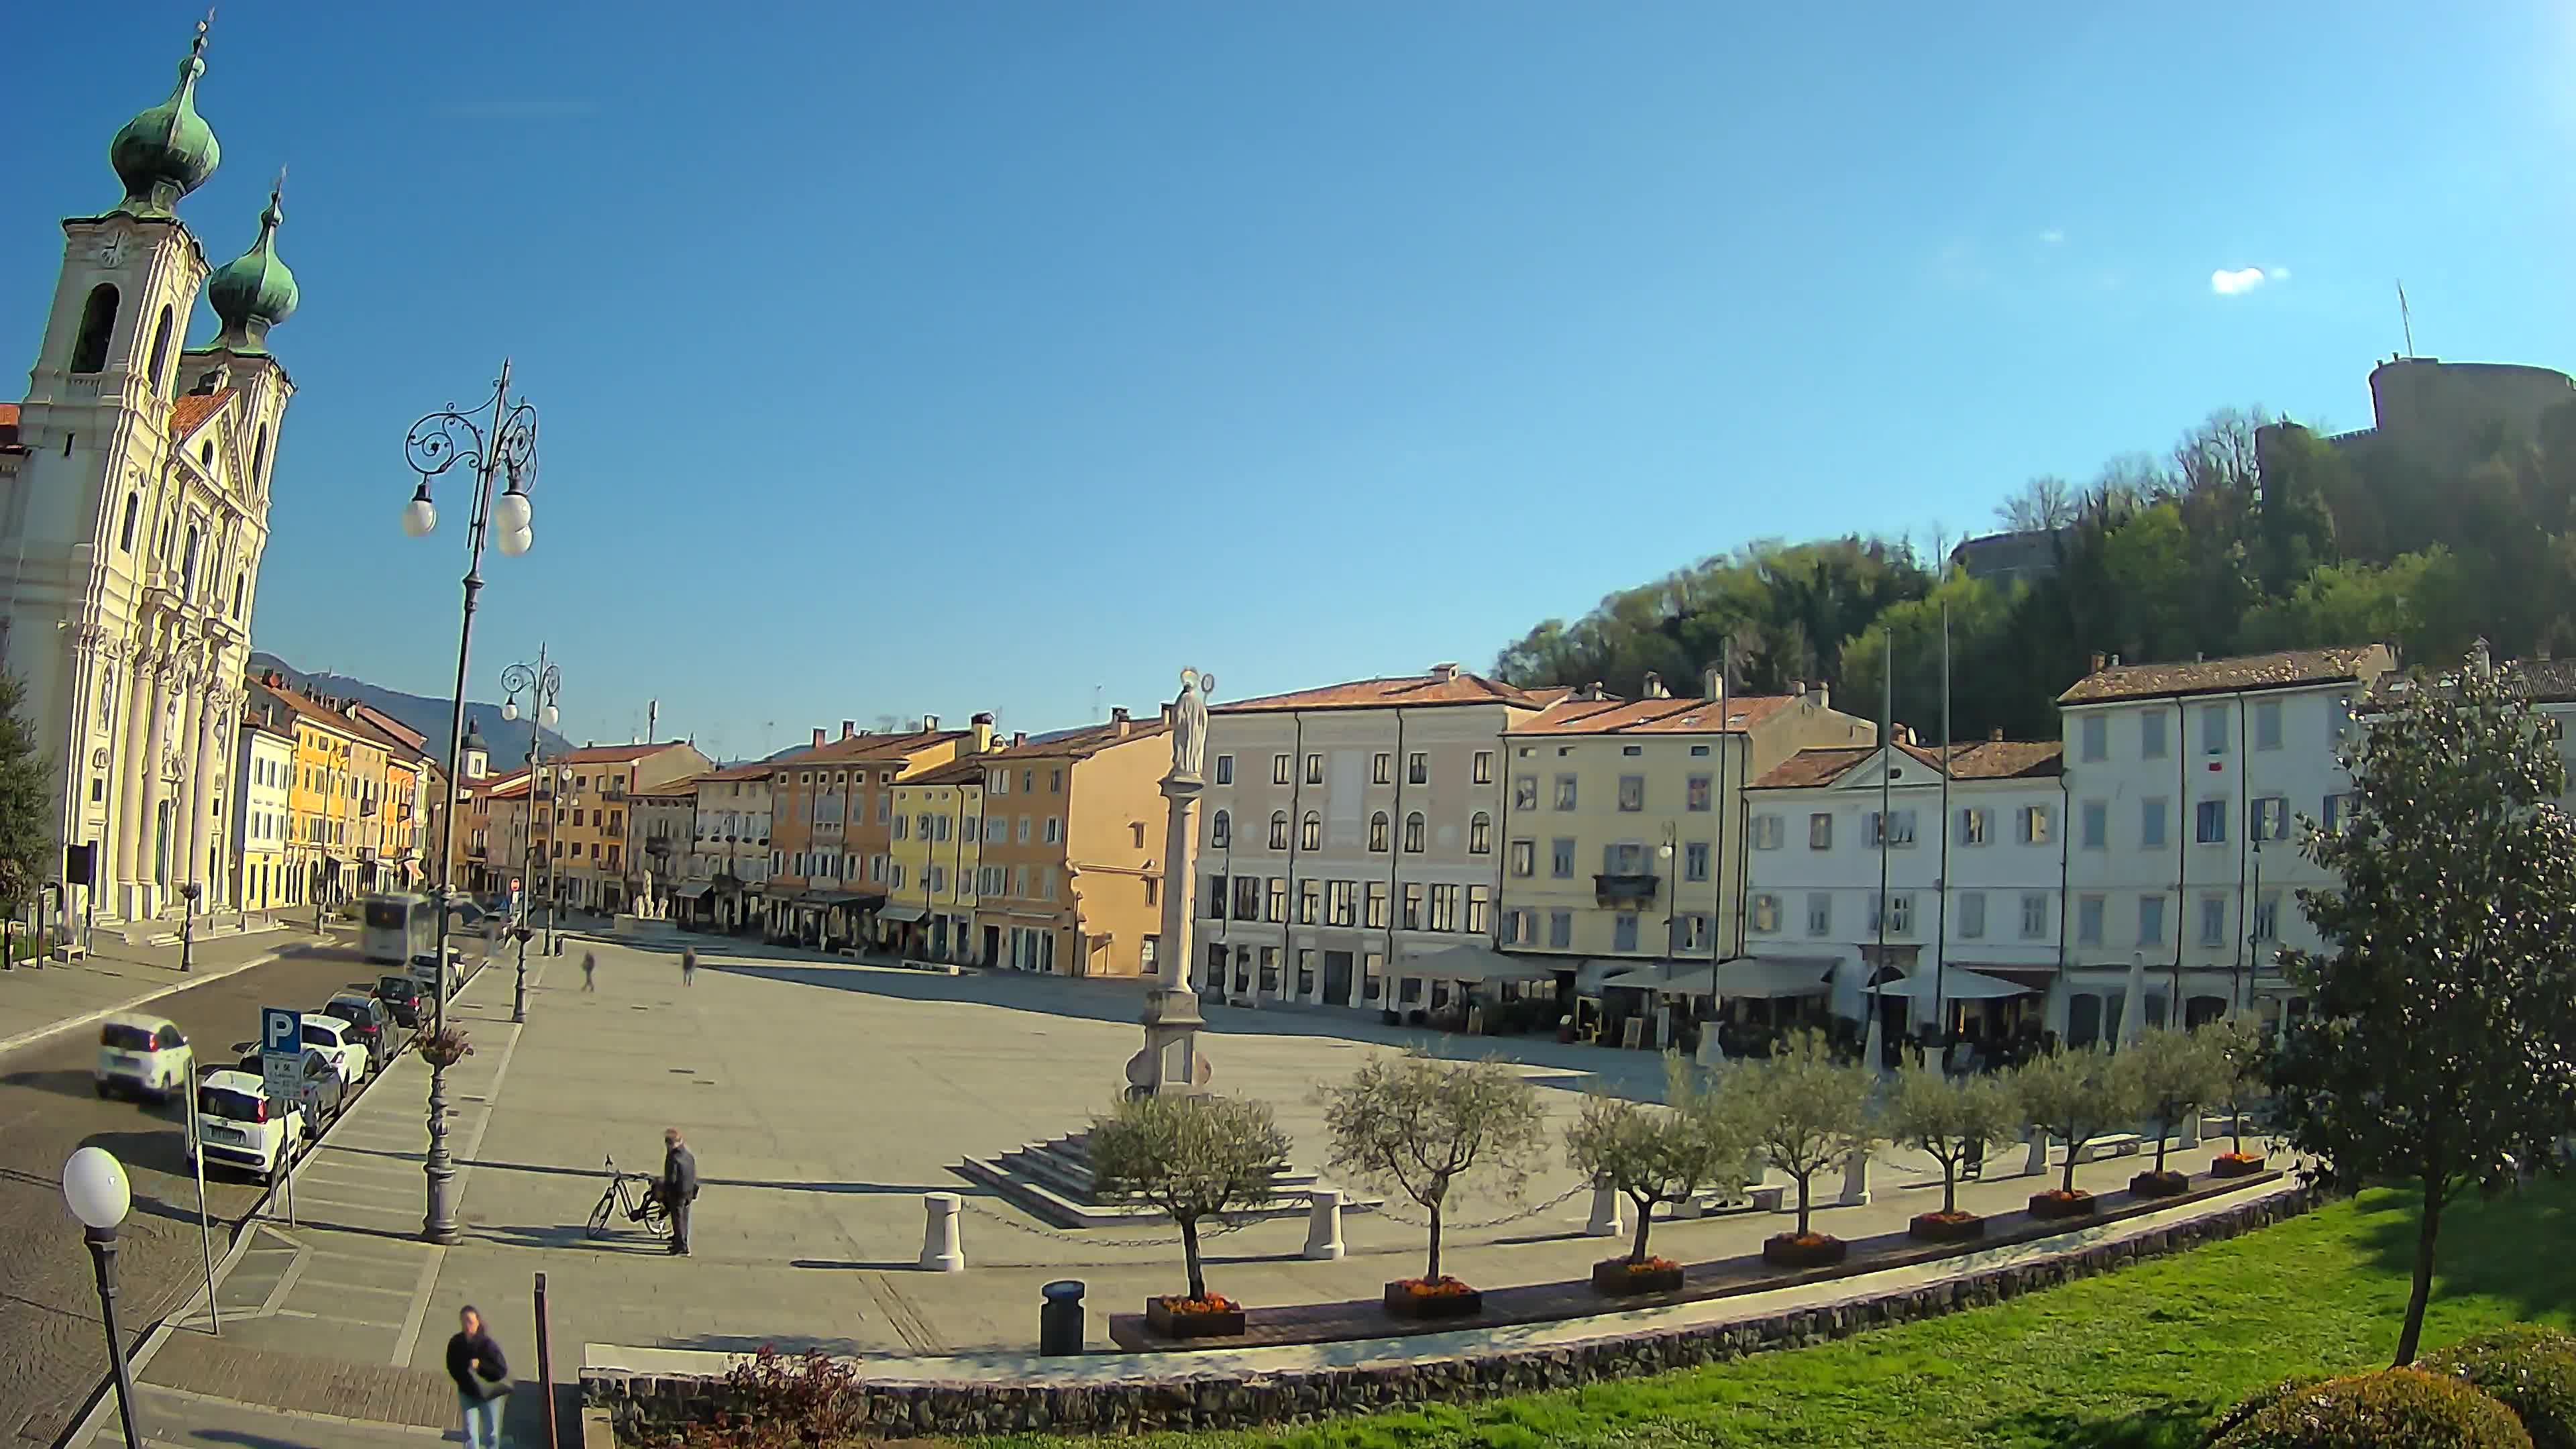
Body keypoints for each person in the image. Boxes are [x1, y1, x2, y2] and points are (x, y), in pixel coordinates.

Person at [445, 1305, 508, 1449]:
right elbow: (451, 1366)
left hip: (489, 1395)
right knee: (469, 1434)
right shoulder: (456, 1343)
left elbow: (501, 1371)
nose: (467, 1326)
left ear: (478, 1322)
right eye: (464, 1322)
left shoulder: (488, 1345)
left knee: (491, 1435)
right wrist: (464, 1379)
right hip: (468, 1394)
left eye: (470, 1322)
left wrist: (481, 1367)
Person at [661, 1126, 698, 1255]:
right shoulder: (688, 1155)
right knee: (685, 1219)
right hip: (689, 1191)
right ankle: (682, 1240)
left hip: (678, 1193)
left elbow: (671, 1178)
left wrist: (665, 1190)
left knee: (677, 1219)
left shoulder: (673, 1158)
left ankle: (681, 1247)